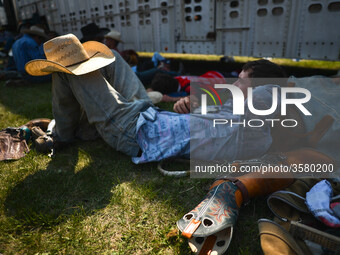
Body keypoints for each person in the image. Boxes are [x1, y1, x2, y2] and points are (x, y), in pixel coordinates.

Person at [25, 33, 289, 164]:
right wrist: (186, 105)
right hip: (147, 113)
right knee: (111, 57)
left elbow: (270, 97)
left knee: (68, 67)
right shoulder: (235, 108)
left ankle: (64, 134)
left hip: (132, 131)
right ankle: (82, 129)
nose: (236, 83)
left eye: (243, 81)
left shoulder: (256, 129)